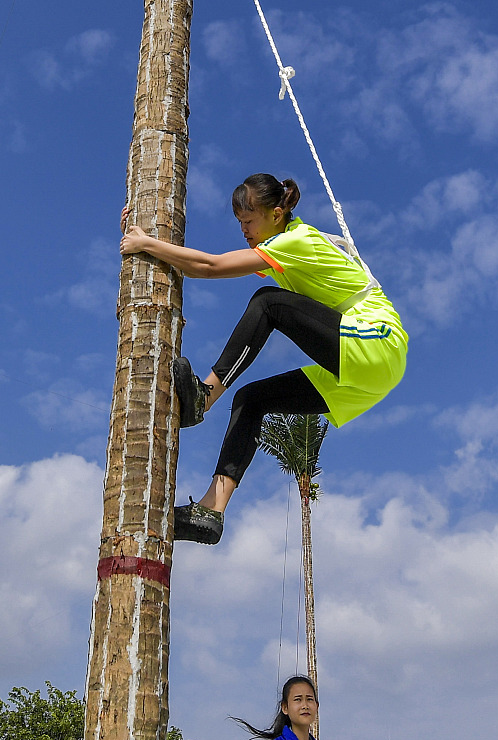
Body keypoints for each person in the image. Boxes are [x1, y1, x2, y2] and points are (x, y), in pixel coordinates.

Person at [120, 173, 409, 545]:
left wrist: (145, 243)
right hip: (371, 376)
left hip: (377, 341)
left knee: (267, 303)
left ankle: (204, 396)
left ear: (276, 213)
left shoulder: (296, 241)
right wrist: (145, 242)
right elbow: (200, 267)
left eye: (249, 220)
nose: (243, 230)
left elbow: (211, 266)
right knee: (251, 400)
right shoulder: (283, 247)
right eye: (239, 222)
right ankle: (211, 510)